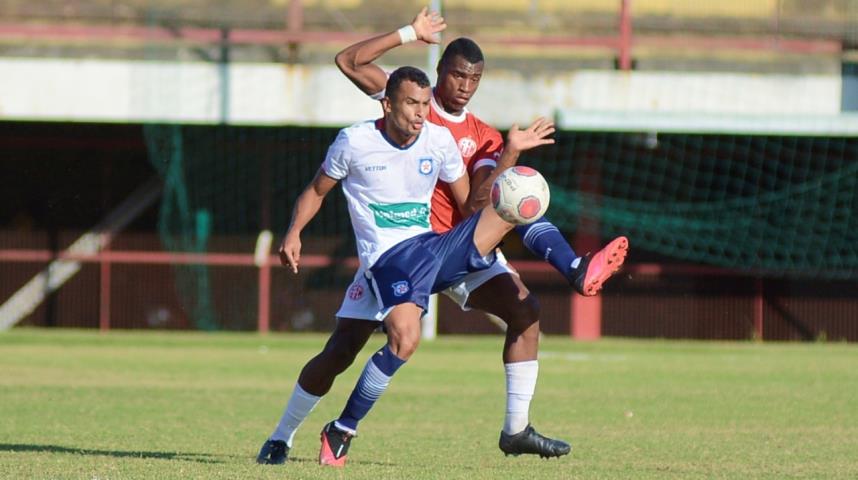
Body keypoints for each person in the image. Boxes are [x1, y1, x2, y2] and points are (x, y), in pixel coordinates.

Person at [257, 10, 628, 466]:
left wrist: (509, 153)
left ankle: (520, 418)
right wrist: (410, 33)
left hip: (447, 249)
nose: (465, 86)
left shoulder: (469, 137)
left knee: (522, 259)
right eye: (457, 75)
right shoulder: (400, 111)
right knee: (341, 351)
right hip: (393, 260)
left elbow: (476, 203)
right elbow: (349, 61)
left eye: (475, 78)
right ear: (399, 97)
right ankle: (282, 436)